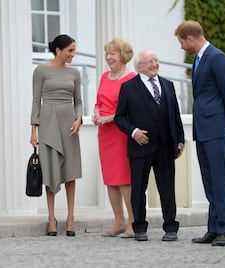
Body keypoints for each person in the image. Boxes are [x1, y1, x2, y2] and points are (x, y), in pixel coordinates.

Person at [175, 20, 225, 247]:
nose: (182, 46)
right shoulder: (199, 59)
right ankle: (213, 228)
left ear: (189, 38)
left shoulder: (217, 57)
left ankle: (224, 229)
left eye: (181, 42)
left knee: (218, 180)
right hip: (202, 128)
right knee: (209, 179)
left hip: (216, 127)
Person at [114, 50, 185, 242]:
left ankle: (171, 227)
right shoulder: (128, 88)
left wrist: (180, 139)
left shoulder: (168, 85)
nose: (155, 64)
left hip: (165, 147)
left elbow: (176, 116)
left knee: (167, 189)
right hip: (140, 147)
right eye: (149, 62)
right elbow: (119, 117)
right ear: (139, 67)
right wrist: (133, 132)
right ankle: (139, 228)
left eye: (156, 60)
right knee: (138, 190)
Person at [30, 34, 83, 237]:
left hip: (70, 123)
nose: (73, 55)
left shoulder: (75, 73)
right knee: (50, 169)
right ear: (58, 50)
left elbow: (78, 100)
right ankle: (51, 218)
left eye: (74, 50)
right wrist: (33, 129)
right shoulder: (41, 71)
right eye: (70, 50)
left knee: (70, 170)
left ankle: (71, 217)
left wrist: (79, 119)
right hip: (48, 122)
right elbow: (36, 101)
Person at [92, 37, 136, 238]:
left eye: (113, 54)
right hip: (105, 133)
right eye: (107, 53)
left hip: (120, 132)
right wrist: (96, 113)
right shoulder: (103, 76)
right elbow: (98, 100)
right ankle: (118, 221)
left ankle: (133, 223)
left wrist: (111, 117)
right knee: (110, 179)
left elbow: (132, 109)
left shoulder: (131, 78)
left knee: (125, 179)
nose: (108, 57)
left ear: (123, 56)